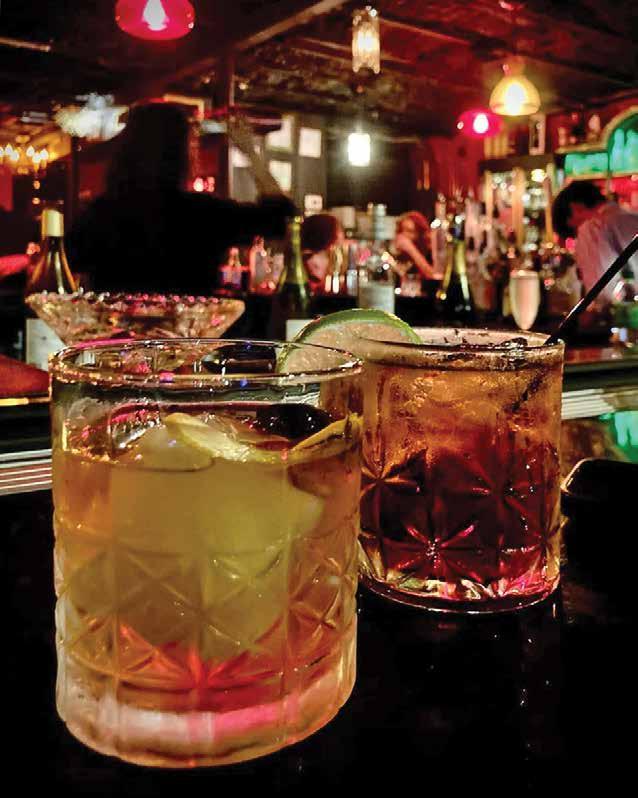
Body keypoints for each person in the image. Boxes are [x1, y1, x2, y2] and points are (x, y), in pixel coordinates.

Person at [65, 103, 296, 295]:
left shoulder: (97, 213)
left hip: (115, 334)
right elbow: (280, 216)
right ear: (181, 153)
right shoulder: (202, 213)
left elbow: (70, 267)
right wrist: (250, 152)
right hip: (186, 334)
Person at [552, 181, 638, 303]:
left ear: (576, 207)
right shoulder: (633, 217)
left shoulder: (592, 228)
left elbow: (603, 299)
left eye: (575, 231)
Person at [392, 211, 441, 282]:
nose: (404, 235)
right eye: (402, 230)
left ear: (420, 234)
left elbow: (434, 276)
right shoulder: (401, 254)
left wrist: (410, 249)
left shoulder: (432, 251)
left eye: (409, 231)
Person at [301, 213, 344, 293]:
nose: (341, 235)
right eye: (338, 230)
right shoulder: (314, 259)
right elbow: (318, 287)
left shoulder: (322, 255)